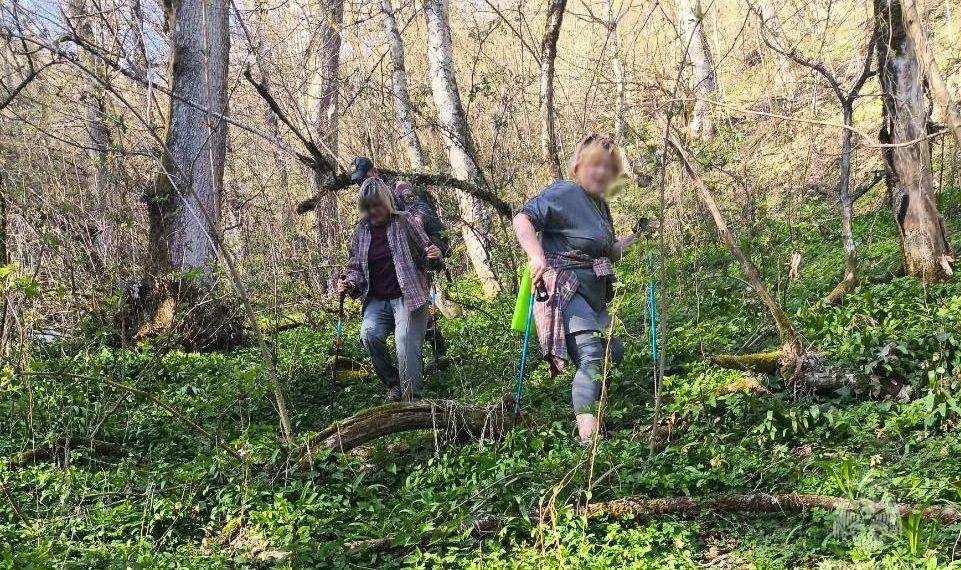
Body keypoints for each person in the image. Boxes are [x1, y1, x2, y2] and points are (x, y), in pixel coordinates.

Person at [512, 133, 641, 445]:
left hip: (595, 292)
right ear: (579, 165)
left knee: (615, 352)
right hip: (565, 287)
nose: (601, 173)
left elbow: (608, 252)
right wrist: (535, 255)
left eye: (609, 168)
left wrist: (636, 236)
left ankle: (593, 399)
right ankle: (587, 433)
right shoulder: (565, 192)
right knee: (590, 353)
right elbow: (523, 217)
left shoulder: (600, 206)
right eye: (595, 164)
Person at [339, 178, 443, 402]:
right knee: (369, 335)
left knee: (404, 340)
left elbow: (426, 253)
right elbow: (355, 266)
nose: (373, 211)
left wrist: (434, 256)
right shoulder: (361, 232)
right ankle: (393, 384)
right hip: (377, 299)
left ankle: (412, 397)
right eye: (367, 207)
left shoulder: (404, 222)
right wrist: (349, 283)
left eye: (376, 205)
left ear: (386, 203)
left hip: (409, 296)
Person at [350, 156, 451, 365]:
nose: (361, 183)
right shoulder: (368, 196)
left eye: (364, 177)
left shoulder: (398, 187)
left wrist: (412, 228)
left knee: (415, 294)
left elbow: (421, 210)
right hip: (400, 253)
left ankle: (438, 352)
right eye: (358, 180)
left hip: (426, 240)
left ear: (374, 171)